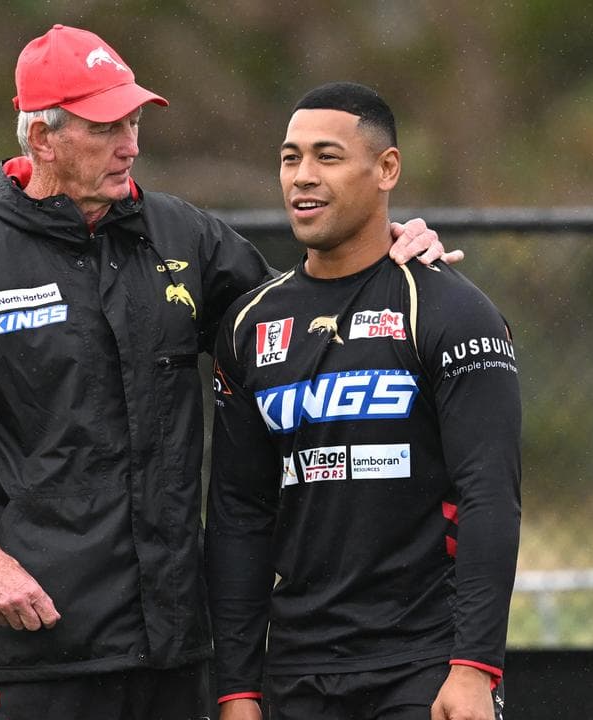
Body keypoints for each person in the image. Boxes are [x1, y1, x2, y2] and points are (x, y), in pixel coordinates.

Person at [0, 26, 452, 720]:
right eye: (106, 127)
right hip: (40, 659)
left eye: (133, 122)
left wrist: (389, 256)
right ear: (42, 139)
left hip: (174, 654)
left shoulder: (185, 238)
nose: (130, 145)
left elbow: (302, 327)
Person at [206, 82, 521, 720]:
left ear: (386, 170)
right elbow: (240, 514)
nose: (303, 177)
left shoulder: (451, 311)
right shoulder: (249, 324)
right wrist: (237, 688)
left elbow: (490, 493)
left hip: (424, 670)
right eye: (290, 158)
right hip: (295, 674)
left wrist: (473, 669)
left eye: (327, 156)